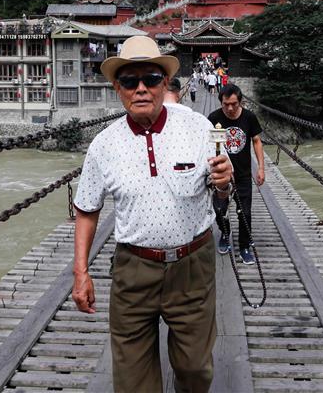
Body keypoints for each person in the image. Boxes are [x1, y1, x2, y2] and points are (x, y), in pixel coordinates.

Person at [71, 35, 234, 393]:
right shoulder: (103, 145)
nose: (141, 88)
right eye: (130, 81)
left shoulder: (198, 128)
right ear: (118, 88)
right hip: (133, 269)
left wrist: (224, 183)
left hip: (192, 266)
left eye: (151, 79)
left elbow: (221, 189)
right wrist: (80, 273)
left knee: (195, 370)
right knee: (132, 381)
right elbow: (86, 209)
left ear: (165, 83)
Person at [207, 83, 264, 265]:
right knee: (219, 209)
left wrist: (261, 168)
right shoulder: (214, 118)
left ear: (240, 102)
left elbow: (256, 141)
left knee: (244, 213)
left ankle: (245, 246)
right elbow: (212, 146)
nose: (230, 108)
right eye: (226, 104)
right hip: (221, 175)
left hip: (243, 174)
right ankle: (225, 233)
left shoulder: (249, 117)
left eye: (234, 104)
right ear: (221, 102)